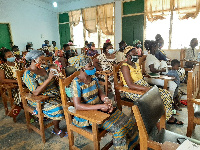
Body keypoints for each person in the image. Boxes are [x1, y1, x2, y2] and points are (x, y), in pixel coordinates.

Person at [70, 55, 139, 150]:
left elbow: (100, 93)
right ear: (82, 68)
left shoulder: (93, 78)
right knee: (119, 130)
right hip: (88, 114)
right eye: (90, 66)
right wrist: (100, 106)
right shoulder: (76, 82)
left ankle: (133, 146)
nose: (93, 68)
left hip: (100, 108)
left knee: (128, 122)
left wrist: (106, 100)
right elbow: (77, 106)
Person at [120, 46, 183, 125]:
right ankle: (162, 119)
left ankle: (167, 116)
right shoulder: (125, 67)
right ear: (128, 56)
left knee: (166, 94)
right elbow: (130, 85)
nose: (137, 55)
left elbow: (141, 77)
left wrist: (147, 88)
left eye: (137, 53)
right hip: (132, 90)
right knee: (157, 98)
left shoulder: (136, 64)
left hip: (142, 86)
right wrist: (146, 89)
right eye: (134, 54)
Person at [23, 50, 67, 138]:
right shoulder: (28, 74)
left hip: (54, 94)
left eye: (45, 60)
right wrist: (49, 79)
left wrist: (57, 75)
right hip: (40, 98)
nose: (44, 62)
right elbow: (35, 92)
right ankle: (56, 128)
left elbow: (55, 80)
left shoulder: (46, 68)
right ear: (33, 60)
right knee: (59, 107)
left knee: (72, 100)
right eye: (41, 60)